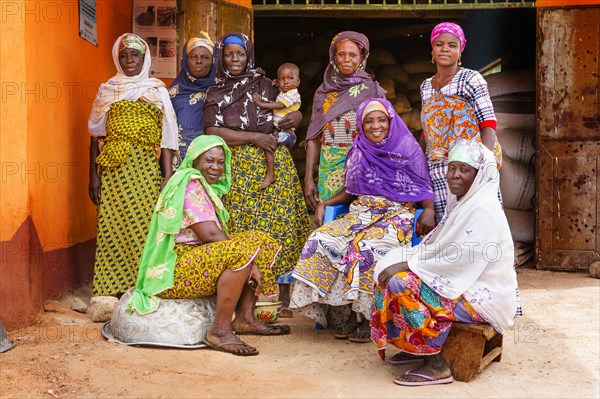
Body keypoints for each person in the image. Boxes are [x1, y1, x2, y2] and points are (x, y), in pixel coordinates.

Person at [371, 140, 518, 386]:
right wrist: (407, 261)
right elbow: (443, 249)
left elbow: (460, 262)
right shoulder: (465, 202)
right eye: (452, 168)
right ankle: (414, 346)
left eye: (465, 170)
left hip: (480, 299)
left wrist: (409, 266)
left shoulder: (483, 210)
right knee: (387, 268)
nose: (455, 176)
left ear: (480, 175)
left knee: (401, 284)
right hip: (466, 284)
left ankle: (436, 365)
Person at [127, 135, 288, 356]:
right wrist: (250, 265)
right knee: (240, 252)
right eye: (209, 161)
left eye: (220, 162)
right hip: (174, 269)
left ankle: (245, 318)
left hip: (194, 259)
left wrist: (250, 258)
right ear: (195, 160)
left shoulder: (202, 186)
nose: (216, 167)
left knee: (259, 240)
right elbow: (211, 235)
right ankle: (220, 331)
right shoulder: (189, 184)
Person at [291, 98, 435, 343]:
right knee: (321, 239)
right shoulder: (359, 149)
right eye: (369, 121)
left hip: (397, 214)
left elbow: (422, 187)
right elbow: (352, 190)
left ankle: (369, 318)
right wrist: (326, 203)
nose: (375, 126)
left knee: (366, 247)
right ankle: (344, 313)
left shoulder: (406, 148)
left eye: (381, 120)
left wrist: (429, 209)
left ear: (390, 122)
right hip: (361, 212)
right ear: (361, 124)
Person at [203, 32, 311, 318]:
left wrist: (298, 117)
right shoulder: (216, 91)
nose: (235, 59)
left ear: (248, 54)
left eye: (239, 54)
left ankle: (283, 298)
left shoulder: (265, 84)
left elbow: (290, 106)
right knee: (241, 226)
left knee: (281, 225)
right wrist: (253, 137)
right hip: (237, 166)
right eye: (229, 54)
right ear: (222, 58)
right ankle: (241, 297)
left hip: (275, 163)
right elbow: (212, 130)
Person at [88, 33, 178, 297]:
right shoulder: (108, 90)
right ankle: (110, 289)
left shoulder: (156, 90)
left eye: (134, 55)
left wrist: (168, 176)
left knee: (145, 227)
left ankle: (144, 288)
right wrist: (92, 176)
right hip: (114, 169)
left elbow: (168, 137)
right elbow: (95, 136)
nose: (129, 60)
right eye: (123, 55)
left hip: (145, 168)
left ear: (144, 58)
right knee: (112, 228)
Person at [420, 22, 502, 223]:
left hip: (468, 164)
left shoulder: (471, 79)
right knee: (447, 224)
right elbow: (428, 129)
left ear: (460, 50)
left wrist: (482, 163)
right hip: (439, 167)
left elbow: (488, 121)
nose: (445, 49)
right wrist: (417, 160)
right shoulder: (425, 87)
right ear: (432, 49)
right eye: (439, 44)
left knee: (476, 220)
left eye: (452, 45)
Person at [304, 31, 386, 212]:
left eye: (353, 55)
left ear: (363, 57)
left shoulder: (372, 91)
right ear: (333, 56)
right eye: (341, 54)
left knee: (362, 222)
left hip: (365, 166)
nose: (347, 59)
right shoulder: (323, 93)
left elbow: (386, 135)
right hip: (329, 169)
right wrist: (308, 177)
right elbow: (314, 136)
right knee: (330, 220)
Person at [168, 33, 217, 166]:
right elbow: (166, 132)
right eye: (193, 57)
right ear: (185, 60)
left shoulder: (221, 90)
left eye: (205, 57)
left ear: (213, 61)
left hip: (212, 164)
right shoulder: (174, 92)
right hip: (179, 162)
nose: (199, 61)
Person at [252, 62, 301, 189]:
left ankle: (271, 174)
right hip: (280, 132)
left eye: (290, 78)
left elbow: (279, 105)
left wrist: (261, 103)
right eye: (281, 79)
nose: (285, 82)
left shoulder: (293, 94)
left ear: (298, 81)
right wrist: (275, 85)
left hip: (288, 134)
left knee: (268, 141)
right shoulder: (284, 92)